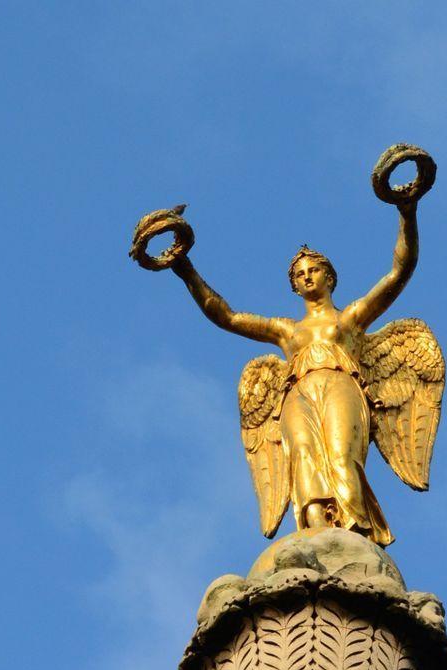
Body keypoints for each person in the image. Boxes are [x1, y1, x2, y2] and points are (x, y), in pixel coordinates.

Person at [165, 201, 420, 545]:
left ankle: (355, 532)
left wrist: (407, 212)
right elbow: (226, 316)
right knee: (301, 455)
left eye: (312, 270)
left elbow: (399, 271)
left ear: (329, 278)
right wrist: (185, 269)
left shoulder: (351, 319)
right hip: (297, 393)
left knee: (342, 455)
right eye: (299, 275)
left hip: (341, 383)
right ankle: (315, 530)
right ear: (295, 287)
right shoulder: (287, 332)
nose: (306, 276)